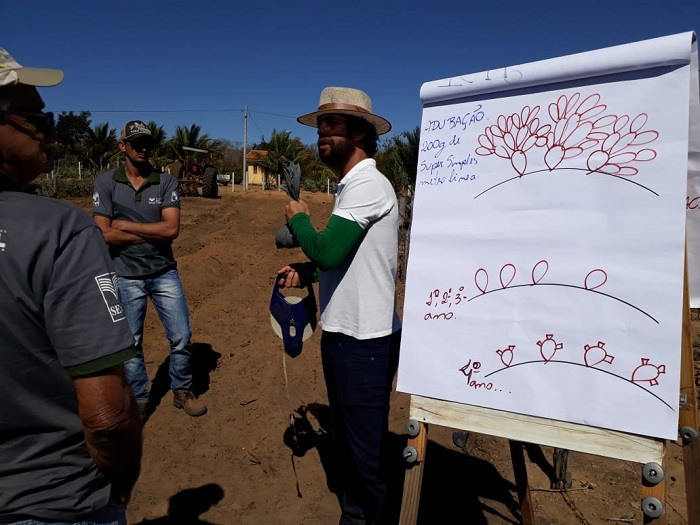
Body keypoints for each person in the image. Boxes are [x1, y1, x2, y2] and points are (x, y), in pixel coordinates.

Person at [0, 47, 142, 524]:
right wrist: (120, 484)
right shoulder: (60, 231)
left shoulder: (160, 183)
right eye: (36, 116)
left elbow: (172, 229)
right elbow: (106, 419)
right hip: (50, 498)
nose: (50, 130)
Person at [277, 86, 402, 525]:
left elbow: (327, 252)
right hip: (348, 334)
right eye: (320, 126)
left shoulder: (367, 183)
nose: (322, 134)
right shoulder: (354, 185)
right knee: (353, 446)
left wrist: (298, 217)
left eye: (332, 125)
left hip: (364, 342)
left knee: (365, 456)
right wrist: (308, 272)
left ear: (361, 133)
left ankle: (369, 517)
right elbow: (343, 259)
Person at [92, 121, 207, 418]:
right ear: (123, 146)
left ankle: (182, 390)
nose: (143, 148)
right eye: (136, 143)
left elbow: (172, 230)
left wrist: (124, 224)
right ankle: (141, 397)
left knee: (181, 336)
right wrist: (151, 231)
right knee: (131, 343)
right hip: (125, 274)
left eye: (147, 143)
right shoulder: (106, 182)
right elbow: (102, 234)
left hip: (163, 272)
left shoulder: (165, 181)